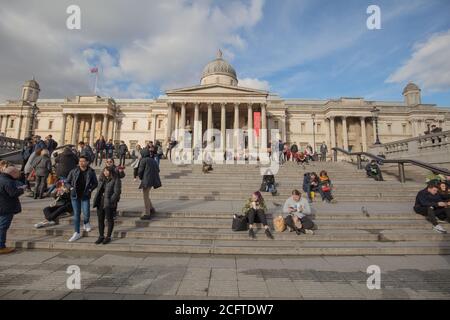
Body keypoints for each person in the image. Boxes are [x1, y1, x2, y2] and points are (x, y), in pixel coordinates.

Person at [65, 156, 98, 242]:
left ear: (87, 162)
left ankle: (86, 222)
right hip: (75, 195)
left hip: (85, 195)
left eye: (83, 161)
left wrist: (90, 189)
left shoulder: (91, 172)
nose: (81, 163)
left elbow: (95, 183)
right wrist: (71, 188)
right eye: (80, 161)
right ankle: (77, 232)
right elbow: (67, 182)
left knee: (86, 212)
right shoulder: (74, 171)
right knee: (76, 214)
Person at [0, 166, 26, 254]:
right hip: (6, 208)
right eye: (17, 174)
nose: (18, 176)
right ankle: (1, 246)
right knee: (3, 227)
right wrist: (22, 190)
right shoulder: (8, 181)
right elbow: (13, 193)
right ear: (13, 173)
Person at [93, 167, 122, 245]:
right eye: (104, 171)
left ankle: (108, 236)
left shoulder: (116, 180)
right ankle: (101, 236)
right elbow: (98, 190)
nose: (105, 172)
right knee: (100, 220)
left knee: (109, 219)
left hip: (109, 203)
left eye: (107, 171)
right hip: (100, 202)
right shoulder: (101, 179)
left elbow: (117, 192)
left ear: (111, 172)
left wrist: (110, 201)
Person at [138, 148, 162, 220]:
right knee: (146, 195)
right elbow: (158, 170)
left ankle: (147, 213)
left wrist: (141, 177)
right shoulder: (153, 160)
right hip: (153, 180)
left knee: (145, 196)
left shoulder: (143, 160)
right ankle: (151, 208)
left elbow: (140, 171)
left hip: (146, 180)